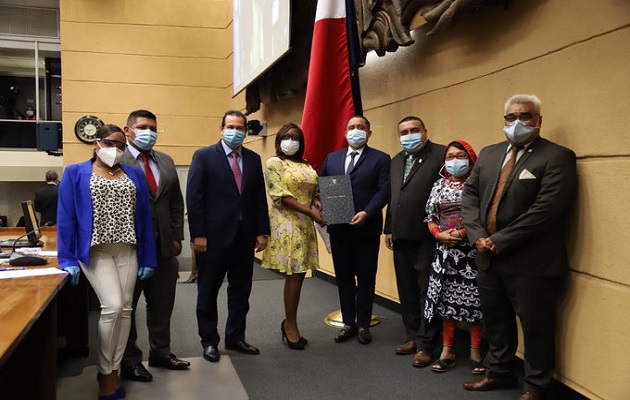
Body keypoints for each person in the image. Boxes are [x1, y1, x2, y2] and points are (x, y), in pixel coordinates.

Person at [461, 94, 577, 400]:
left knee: (536, 326)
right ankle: (498, 372)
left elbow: (546, 211)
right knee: (496, 320)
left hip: (531, 263)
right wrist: (477, 236)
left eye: (525, 116)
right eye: (510, 117)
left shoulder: (557, 156)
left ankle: (537, 385)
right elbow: (469, 197)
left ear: (539, 120)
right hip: (487, 257)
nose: (517, 123)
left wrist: (498, 240)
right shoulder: (488, 154)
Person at [57, 124, 157, 400]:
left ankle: (114, 368)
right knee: (111, 306)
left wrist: (148, 256)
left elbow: (145, 219)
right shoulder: (76, 173)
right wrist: (66, 258)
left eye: (121, 145)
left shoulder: (133, 174)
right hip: (95, 251)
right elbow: (66, 218)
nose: (116, 150)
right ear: (96, 144)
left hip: (128, 249)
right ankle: (104, 372)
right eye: (110, 143)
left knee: (126, 310)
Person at [186, 110, 270, 363]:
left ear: (246, 131)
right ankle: (209, 341)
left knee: (240, 292)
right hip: (212, 239)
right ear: (221, 128)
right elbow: (195, 197)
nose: (235, 131)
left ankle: (235, 337)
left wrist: (262, 230)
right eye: (231, 126)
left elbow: (258, 198)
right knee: (208, 292)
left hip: (244, 238)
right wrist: (198, 234)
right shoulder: (203, 156)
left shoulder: (254, 159)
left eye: (240, 127)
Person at [119, 110, 189, 382]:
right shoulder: (117, 159)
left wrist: (176, 236)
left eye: (153, 127)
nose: (148, 131)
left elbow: (175, 202)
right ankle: (130, 360)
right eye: (142, 127)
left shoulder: (166, 160)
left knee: (162, 304)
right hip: (131, 247)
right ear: (128, 130)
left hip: (164, 247)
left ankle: (161, 352)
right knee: (128, 307)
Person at [320, 115, 390, 345]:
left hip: (366, 228)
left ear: (369, 133)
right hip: (339, 229)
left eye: (361, 127)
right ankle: (348, 323)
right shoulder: (332, 158)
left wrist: (367, 212)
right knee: (344, 278)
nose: (355, 131)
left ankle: (363, 325)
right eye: (351, 127)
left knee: (367, 277)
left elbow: (383, 190)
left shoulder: (380, 158)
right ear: (345, 132)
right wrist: (323, 205)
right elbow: (323, 186)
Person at [383, 116, 445, 366]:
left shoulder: (441, 155)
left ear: (425, 131)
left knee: (426, 291)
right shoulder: (396, 161)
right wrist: (388, 228)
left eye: (414, 130)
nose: (409, 135)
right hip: (399, 235)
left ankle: (427, 344)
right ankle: (412, 336)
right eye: (404, 132)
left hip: (427, 237)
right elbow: (394, 196)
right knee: (406, 290)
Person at [261, 123, 326, 350]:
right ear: (278, 140)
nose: (291, 140)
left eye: (295, 137)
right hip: (287, 222)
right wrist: (310, 212)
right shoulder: (274, 163)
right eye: (286, 137)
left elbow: (314, 191)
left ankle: (290, 323)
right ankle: (290, 325)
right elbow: (279, 195)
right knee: (296, 274)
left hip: (307, 222)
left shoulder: (307, 164)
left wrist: (317, 201)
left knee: (300, 274)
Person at [424, 140, 484, 374]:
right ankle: (447, 351)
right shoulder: (438, 185)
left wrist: (461, 233)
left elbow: (482, 216)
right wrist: (439, 235)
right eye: (450, 157)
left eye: (460, 156)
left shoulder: (478, 184)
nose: (454, 161)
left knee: (475, 301)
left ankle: (476, 352)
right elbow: (429, 217)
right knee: (446, 301)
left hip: (471, 251)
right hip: (444, 251)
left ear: (470, 159)